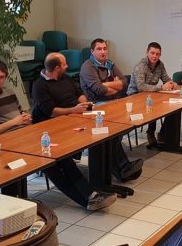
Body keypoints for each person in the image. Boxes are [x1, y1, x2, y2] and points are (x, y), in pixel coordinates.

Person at [0, 60, 116, 211]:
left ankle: (91, 194)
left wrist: (24, 117)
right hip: (8, 144)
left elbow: (19, 112)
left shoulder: (8, 91)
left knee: (63, 157)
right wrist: (14, 122)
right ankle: (86, 200)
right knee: (50, 165)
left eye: (1, 77)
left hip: (25, 136)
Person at [31, 53, 143, 181]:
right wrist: (74, 110)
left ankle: (121, 169)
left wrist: (84, 103)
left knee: (110, 132)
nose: (67, 66)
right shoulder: (39, 86)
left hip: (77, 116)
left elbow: (79, 93)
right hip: (58, 123)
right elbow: (51, 112)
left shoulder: (65, 77)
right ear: (57, 68)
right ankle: (121, 170)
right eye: (64, 64)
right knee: (100, 137)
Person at [127, 42, 178, 147]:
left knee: (171, 106)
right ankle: (150, 133)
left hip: (151, 94)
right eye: (152, 53)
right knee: (154, 105)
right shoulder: (141, 66)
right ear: (147, 52)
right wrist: (161, 87)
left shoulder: (160, 64)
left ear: (160, 55)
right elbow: (141, 87)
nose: (154, 56)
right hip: (135, 96)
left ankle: (163, 134)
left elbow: (165, 78)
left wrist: (172, 83)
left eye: (157, 54)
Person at [79, 38, 128, 103]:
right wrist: (117, 86)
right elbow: (100, 90)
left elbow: (124, 82)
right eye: (99, 49)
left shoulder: (109, 63)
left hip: (114, 98)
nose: (103, 52)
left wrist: (105, 84)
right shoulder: (88, 66)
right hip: (97, 101)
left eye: (105, 49)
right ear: (92, 51)